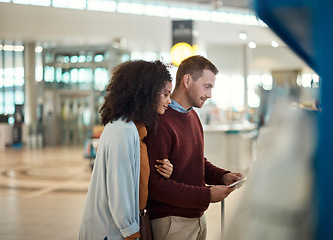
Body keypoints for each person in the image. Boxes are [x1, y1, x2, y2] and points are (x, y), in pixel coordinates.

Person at [145, 55, 244, 240]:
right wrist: (206, 195)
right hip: (172, 222)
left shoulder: (192, 116)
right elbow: (156, 185)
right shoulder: (161, 121)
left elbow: (196, 161)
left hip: (196, 219)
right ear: (187, 80)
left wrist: (223, 176)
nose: (209, 94)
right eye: (207, 86)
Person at [79, 60, 174, 240]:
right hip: (110, 230)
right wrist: (131, 231)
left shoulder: (134, 128)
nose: (169, 100)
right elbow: (119, 184)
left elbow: (134, 171)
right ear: (148, 93)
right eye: (165, 94)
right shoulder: (123, 130)